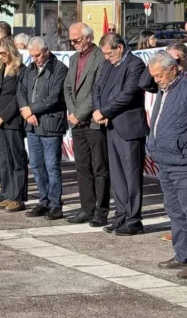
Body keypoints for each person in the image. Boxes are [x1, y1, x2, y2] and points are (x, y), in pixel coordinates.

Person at [141, 51, 187, 279]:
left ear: (173, 69)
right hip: (166, 161)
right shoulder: (165, 90)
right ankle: (182, 255)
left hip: (186, 163)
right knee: (175, 212)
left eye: (159, 75)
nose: (156, 80)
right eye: (153, 76)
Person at [93, 33, 149, 236]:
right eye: (104, 54)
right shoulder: (108, 64)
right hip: (111, 126)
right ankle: (121, 215)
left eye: (109, 53)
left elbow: (128, 94)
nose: (107, 57)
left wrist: (105, 111)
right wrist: (99, 109)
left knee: (132, 176)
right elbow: (97, 87)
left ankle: (134, 219)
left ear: (120, 48)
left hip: (129, 128)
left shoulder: (135, 65)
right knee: (117, 175)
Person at [63, 23, 110, 226]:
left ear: (88, 38)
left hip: (93, 122)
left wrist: (80, 113)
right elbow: (67, 87)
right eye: (71, 40)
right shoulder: (74, 59)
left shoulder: (100, 58)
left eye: (76, 40)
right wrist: (73, 113)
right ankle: (86, 207)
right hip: (77, 122)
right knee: (82, 167)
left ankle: (102, 209)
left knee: (99, 167)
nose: (73, 44)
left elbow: (97, 90)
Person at [18, 36, 68, 220]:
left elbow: (54, 97)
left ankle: (56, 204)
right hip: (32, 125)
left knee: (52, 166)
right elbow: (21, 90)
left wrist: (32, 109)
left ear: (46, 51)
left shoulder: (59, 69)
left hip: (50, 125)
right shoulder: (30, 69)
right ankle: (44, 200)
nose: (35, 59)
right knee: (37, 165)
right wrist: (26, 111)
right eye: (32, 56)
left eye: (37, 55)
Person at [0, 38, 28, 212]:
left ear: (11, 51)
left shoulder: (21, 71)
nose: (2, 56)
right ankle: (6, 192)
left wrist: (2, 117)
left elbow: (19, 97)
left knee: (16, 159)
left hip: (11, 121)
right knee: (3, 159)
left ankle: (17, 197)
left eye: (4, 53)